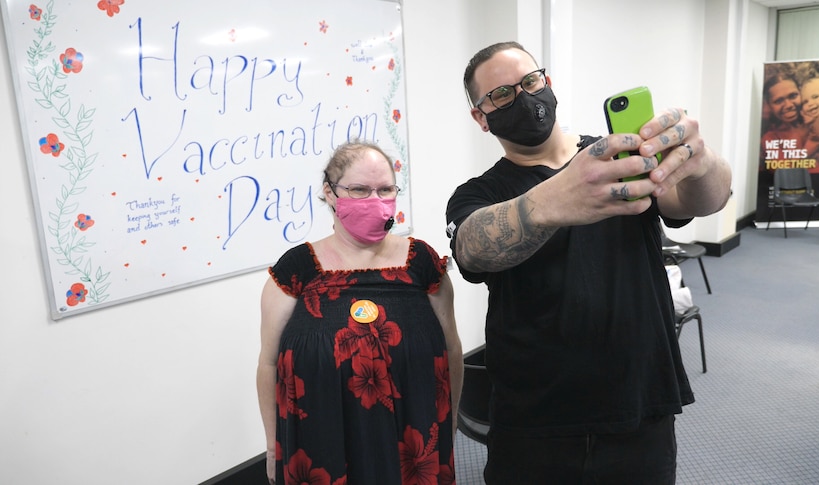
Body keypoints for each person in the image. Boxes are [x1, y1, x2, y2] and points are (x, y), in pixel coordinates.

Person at [445, 41, 732, 484]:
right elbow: (471, 247)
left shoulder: (621, 160)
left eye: (530, 82)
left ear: (548, 82)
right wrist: (552, 201)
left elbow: (707, 199)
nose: (523, 97)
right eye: (501, 95)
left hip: (639, 403)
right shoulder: (477, 193)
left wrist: (701, 160)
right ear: (481, 117)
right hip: (533, 420)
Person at [257, 141, 463, 485]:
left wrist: (450, 423)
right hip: (320, 447)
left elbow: (452, 350)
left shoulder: (422, 265)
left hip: (413, 447)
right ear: (330, 193)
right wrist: (273, 447)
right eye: (359, 189)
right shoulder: (295, 271)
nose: (374, 200)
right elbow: (268, 363)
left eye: (385, 189)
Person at [759, 63, 807, 171]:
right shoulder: (771, 139)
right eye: (779, 101)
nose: (789, 105)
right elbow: (788, 174)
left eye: (793, 96)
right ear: (769, 105)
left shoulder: (818, 124)